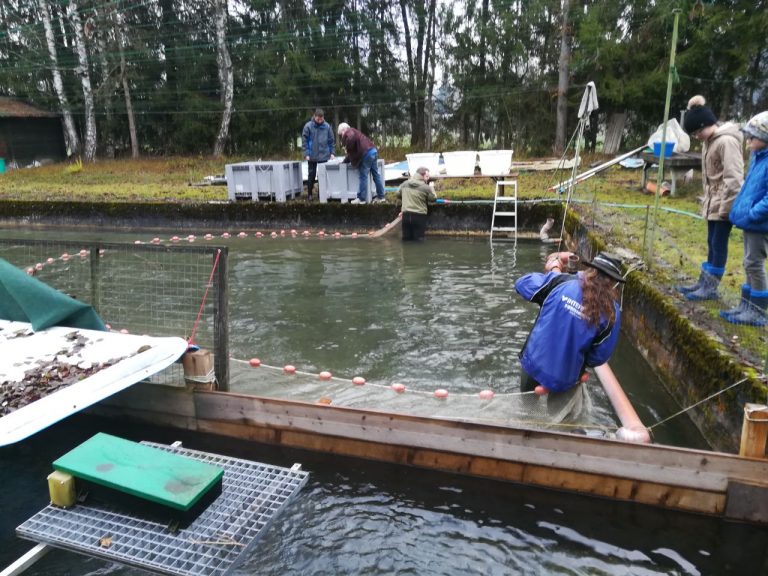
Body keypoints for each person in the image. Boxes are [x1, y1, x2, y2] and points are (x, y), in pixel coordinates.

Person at [514, 251, 624, 396]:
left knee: (527, 404)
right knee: (559, 410)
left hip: (533, 363)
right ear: (613, 282)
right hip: (565, 377)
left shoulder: (561, 282)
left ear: (590, 270)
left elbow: (521, 284)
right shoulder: (612, 313)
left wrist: (553, 272)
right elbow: (598, 357)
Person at [678, 95, 744, 300]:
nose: (697, 136)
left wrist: (726, 209)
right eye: (694, 134)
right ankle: (703, 282)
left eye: (698, 132)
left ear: (706, 124)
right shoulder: (709, 141)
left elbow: (734, 178)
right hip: (712, 202)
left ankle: (711, 288)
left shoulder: (726, 142)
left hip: (724, 204)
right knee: (711, 242)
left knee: (718, 244)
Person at [720, 111, 768, 326]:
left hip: (760, 223)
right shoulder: (758, 157)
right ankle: (746, 305)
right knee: (748, 262)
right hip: (752, 222)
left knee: (755, 264)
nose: (748, 141)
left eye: (753, 137)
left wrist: (753, 213)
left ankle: (757, 311)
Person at [337, 122, 386, 204]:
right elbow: (351, 154)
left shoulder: (349, 132)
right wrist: (344, 161)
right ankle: (381, 196)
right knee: (376, 175)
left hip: (366, 154)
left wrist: (347, 147)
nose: (342, 136)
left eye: (341, 134)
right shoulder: (356, 132)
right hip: (373, 151)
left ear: (343, 130)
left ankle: (361, 198)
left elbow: (350, 142)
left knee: (363, 176)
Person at [301, 109, 335, 200]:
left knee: (322, 176)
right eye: (318, 119)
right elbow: (305, 142)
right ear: (314, 116)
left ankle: (321, 194)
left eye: (321, 119)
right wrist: (306, 154)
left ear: (323, 117)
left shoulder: (327, 127)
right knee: (311, 175)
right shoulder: (308, 126)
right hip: (312, 155)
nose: (319, 121)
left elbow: (331, 141)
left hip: (324, 155)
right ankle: (309, 194)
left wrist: (332, 152)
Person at [397, 166, 437, 241]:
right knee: (419, 240)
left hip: (406, 216)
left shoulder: (405, 184)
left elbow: (398, 194)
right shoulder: (425, 187)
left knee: (406, 240)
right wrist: (432, 187)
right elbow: (433, 198)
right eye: (427, 176)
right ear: (421, 176)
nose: (428, 178)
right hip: (419, 216)